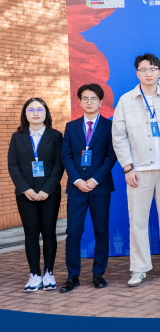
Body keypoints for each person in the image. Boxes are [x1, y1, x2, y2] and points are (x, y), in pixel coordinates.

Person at [112, 53, 160, 287]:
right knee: (138, 222)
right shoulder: (126, 100)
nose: (148, 73)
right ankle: (139, 268)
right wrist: (127, 167)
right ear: (137, 73)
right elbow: (119, 136)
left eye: (153, 69)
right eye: (143, 69)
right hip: (139, 170)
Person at [60, 84, 117, 293]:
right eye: (85, 98)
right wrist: (76, 180)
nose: (89, 102)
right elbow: (66, 155)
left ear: (100, 102)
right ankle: (72, 276)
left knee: (101, 230)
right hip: (77, 188)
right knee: (73, 232)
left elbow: (111, 156)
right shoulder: (71, 126)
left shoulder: (109, 126)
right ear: (80, 102)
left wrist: (94, 180)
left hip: (99, 187)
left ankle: (98, 273)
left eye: (94, 99)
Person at [7, 98, 64, 292]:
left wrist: (47, 189)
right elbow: (13, 165)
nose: (36, 113)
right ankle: (35, 274)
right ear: (25, 114)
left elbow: (59, 165)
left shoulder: (56, 136)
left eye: (40, 109)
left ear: (46, 112)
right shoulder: (17, 137)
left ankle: (48, 273)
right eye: (31, 110)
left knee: (49, 232)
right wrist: (26, 189)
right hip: (26, 194)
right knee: (31, 234)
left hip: (50, 193)